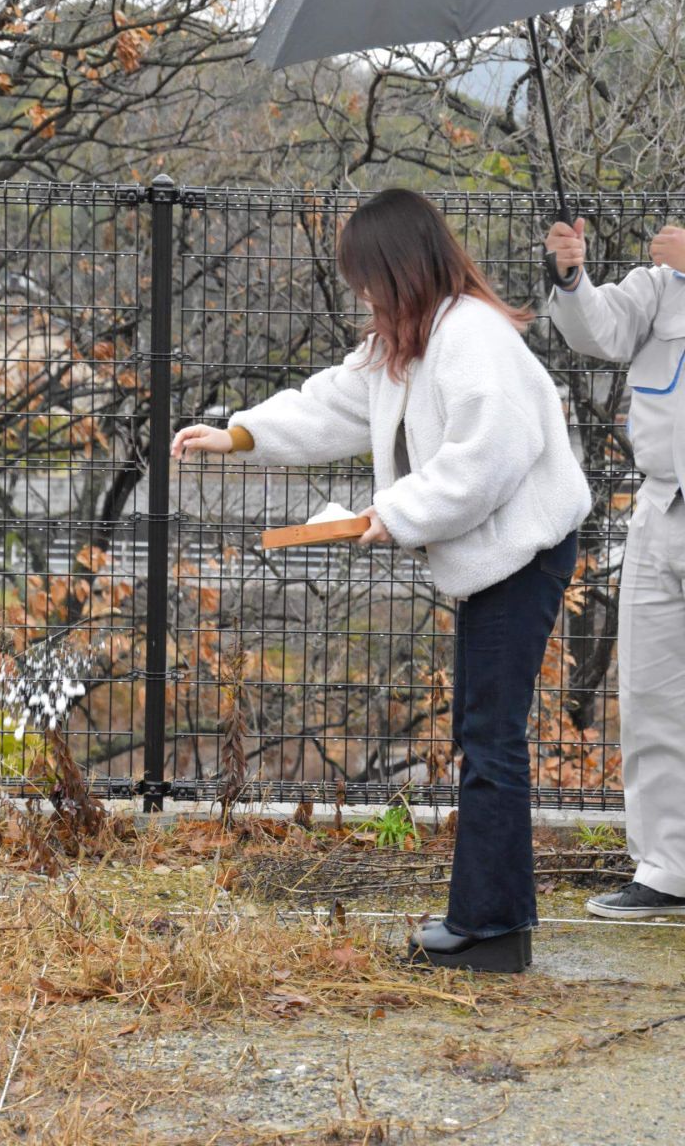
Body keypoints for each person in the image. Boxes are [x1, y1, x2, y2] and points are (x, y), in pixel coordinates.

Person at [172, 189, 591, 972]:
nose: (361, 294)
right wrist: (240, 434)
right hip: (495, 556)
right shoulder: (409, 338)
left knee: (489, 740)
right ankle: (490, 921)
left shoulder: (472, 339)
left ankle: (492, 931)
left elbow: (486, 461)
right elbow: (334, 401)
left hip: (524, 554)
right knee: (485, 735)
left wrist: (395, 512)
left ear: (401, 268)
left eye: (366, 277)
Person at [545, 217, 685, 920]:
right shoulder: (659, 286)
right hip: (662, 508)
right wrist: (572, 276)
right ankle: (668, 870)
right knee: (653, 693)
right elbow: (596, 330)